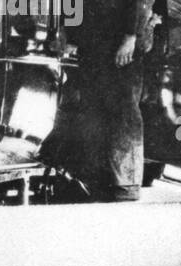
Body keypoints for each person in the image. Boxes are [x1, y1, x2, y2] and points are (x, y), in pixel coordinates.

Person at [62, 1, 159, 201]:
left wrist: (130, 36)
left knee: (123, 112)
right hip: (93, 42)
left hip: (119, 41)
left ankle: (125, 185)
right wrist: (71, 34)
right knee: (94, 110)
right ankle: (98, 182)